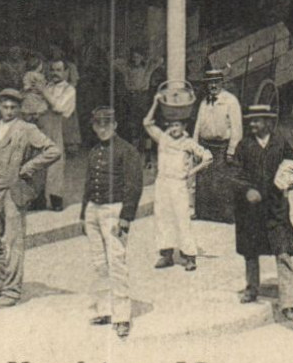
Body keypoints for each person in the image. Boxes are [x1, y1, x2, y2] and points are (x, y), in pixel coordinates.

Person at [0, 88, 59, 309]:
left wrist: (29, 167)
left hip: (14, 192)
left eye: (13, 107)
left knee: (13, 243)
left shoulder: (27, 129)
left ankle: (11, 291)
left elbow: (53, 150)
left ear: (19, 109)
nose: (9, 111)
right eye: (5, 107)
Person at [230, 104, 293, 325]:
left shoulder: (279, 143)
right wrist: (247, 189)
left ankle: (289, 304)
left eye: (257, 120)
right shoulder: (243, 145)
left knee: (283, 252)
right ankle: (251, 289)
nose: (252, 124)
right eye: (251, 121)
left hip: (276, 208)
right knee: (250, 251)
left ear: (268, 122)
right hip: (251, 209)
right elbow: (235, 174)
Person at [81, 106, 144, 338]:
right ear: (94, 126)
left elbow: (134, 186)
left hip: (114, 211)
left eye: (107, 124)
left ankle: (122, 316)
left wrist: (126, 217)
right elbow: (88, 184)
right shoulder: (95, 151)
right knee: (99, 263)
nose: (103, 128)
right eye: (98, 124)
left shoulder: (127, 151)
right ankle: (105, 309)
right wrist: (83, 214)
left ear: (115, 125)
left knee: (116, 263)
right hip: (93, 211)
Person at [143, 88, 212, 270]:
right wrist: (156, 102)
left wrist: (191, 172)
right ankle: (166, 254)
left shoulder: (187, 143)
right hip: (162, 182)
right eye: (171, 125)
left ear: (184, 127)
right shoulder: (163, 138)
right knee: (162, 218)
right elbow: (147, 123)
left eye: (177, 126)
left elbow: (208, 157)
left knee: (182, 218)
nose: (174, 129)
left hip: (178, 184)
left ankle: (189, 256)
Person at [192, 66, 244, 223]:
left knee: (223, 180)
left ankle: (226, 215)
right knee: (204, 180)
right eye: (210, 83)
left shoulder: (230, 101)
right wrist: (194, 147)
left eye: (216, 82)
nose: (213, 86)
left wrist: (232, 149)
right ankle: (203, 213)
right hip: (205, 145)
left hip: (222, 146)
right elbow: (198, 125)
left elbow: (236, 127)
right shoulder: (204, 102)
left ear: (222, 83)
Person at [39, 58, 77, 211]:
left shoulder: (69, 90)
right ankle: (38, 197)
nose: (55, 73)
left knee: (56, 162)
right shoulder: (46, 85)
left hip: (57, 127)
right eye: (52, 70)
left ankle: (56, 198)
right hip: (41, 127)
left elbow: (59, 107)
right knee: (37, 160)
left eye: (59, 70)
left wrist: (44, 93)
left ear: (66, 72)